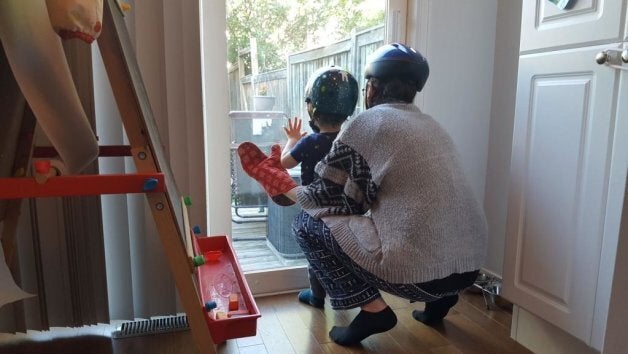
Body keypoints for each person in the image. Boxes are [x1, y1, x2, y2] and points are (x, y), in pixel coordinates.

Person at [237, 42, 487, 346]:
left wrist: (281, 183)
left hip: (419, 276)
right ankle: (440, 305)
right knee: (430, 233)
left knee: (306, 225)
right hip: (468, 270)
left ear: (372, 87)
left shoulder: (368, 122)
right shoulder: (431, 124)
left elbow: (324, 203)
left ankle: (373, 310)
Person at [279, 66, 359, 309]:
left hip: (314, 209)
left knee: (316, 255)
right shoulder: (349, 141)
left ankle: (317, 297)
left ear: (312, 107)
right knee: (341, 255)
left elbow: (283, 163)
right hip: (345, 210)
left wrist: (292, 139)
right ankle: (346, 296)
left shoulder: (310, 142)